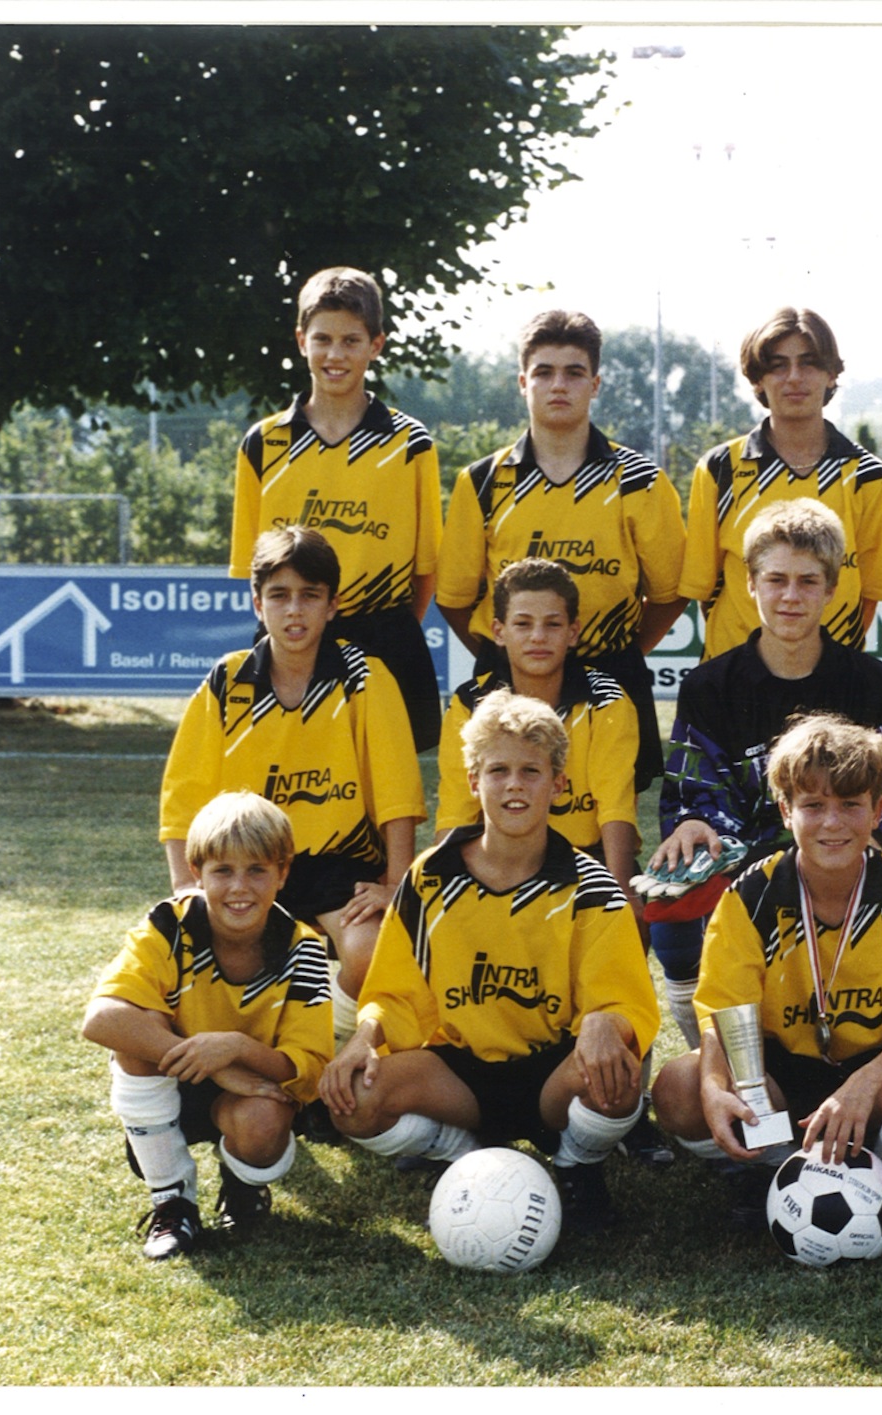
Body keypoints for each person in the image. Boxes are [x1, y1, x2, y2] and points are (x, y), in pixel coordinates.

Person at [317, 691, 660, 1234]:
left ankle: (577, 1167)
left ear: (559, 784)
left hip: (552, 1071)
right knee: (353, 1100)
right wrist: (365, 1036)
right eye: (498, 770)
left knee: (617, 1068)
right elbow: (395, 989)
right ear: (474, 782)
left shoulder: (592, 886)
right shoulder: (431, 878)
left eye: (531, 771)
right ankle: (460, 1153)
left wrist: (605, 1022)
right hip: (460, 1070)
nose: (515, 785)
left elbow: (622, 997)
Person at [652, 716, 882, 1217]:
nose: (832, 823)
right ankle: (772, 1173)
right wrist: (713, 1089)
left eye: (850, 805)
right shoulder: (750, 895)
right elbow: (724, 1013)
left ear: (878, 810)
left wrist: (864, 1087)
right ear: (785, 811)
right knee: (680, 1087)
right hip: (777, 1071)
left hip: (878, 1072)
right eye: (813, 806)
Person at [648, 498, 882, 1049]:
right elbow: (695, 787)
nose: (791, 597)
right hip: (747, 856)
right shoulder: (710, 686)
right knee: (672, 886)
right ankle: (712, 1049)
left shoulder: (873, 684)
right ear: (750, 584)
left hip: (843, 850)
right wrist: (693, 824)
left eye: (808, 581)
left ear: (833, 588)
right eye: (777, 579)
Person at [159, 526, 425, 1045]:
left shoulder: (364, 677)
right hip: (249, 865)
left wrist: (394, 882)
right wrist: (184, 885)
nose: (295, 611)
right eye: (279, 596)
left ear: (333, 604)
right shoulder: (227, 681)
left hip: (339, 866)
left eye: (310, 596)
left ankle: (329, 1050)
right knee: (202, 971)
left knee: (372, 952)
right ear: (258, 604)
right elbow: (183, 795)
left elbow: (398, 792)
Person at [433, 310, 686, 787]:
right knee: (505, 820)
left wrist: (620, 649)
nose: (558, 385)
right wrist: (510, 650)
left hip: (610, 672)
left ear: (595, 383)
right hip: (510, 682)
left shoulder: (639, 480)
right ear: (523, 381)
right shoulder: (483, 481)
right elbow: (454, 597)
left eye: (574, 373)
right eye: (544, 372)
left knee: (610, 826)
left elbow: (672, 593)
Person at [83, 792, 334, 1259]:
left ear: (283, 871)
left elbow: (310, 1069)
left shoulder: (304, 949)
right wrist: (211, 1061)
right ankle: (172, 1202)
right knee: (135, 1031)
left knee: (262, 1119)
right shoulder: (169, 925)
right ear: (196, 873)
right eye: (223, 871)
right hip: (172, 1084)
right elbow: (101, 1018)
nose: (240, 887)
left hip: (251, 1092)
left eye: (257, 869)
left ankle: (241, 1186)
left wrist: (236, 1048)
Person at [229, 266, 445, 750]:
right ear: (302, 340)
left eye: (351, 340)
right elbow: (251, 571)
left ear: (376, 345)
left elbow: (425, 570)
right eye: (323, 339)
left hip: (384, 637)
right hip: (291, 637)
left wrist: (384, 628)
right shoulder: (263, 443)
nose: (335, 354)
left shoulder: (410, 443)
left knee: (385, 796)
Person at [679, 307, 882, 659]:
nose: (794, 377)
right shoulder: (720, 469)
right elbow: (705, 590)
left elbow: (868, 594)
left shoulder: (869, 476)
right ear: (757, 379)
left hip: (829, 675)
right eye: (778, 365)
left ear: (831, 375)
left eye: (809, 363)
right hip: (735, 671)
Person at [436, 558, 641, 904]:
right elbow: (457, 807)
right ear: (498, 631)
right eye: (523, 624)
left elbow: (615, 806)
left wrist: (620, 892)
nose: (538, 637)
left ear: (572, 632)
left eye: (552, 624)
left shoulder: (606, 699)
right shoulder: (470, 703)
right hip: (498, 859)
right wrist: (436, 885)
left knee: (632, 923)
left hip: (587, 858)